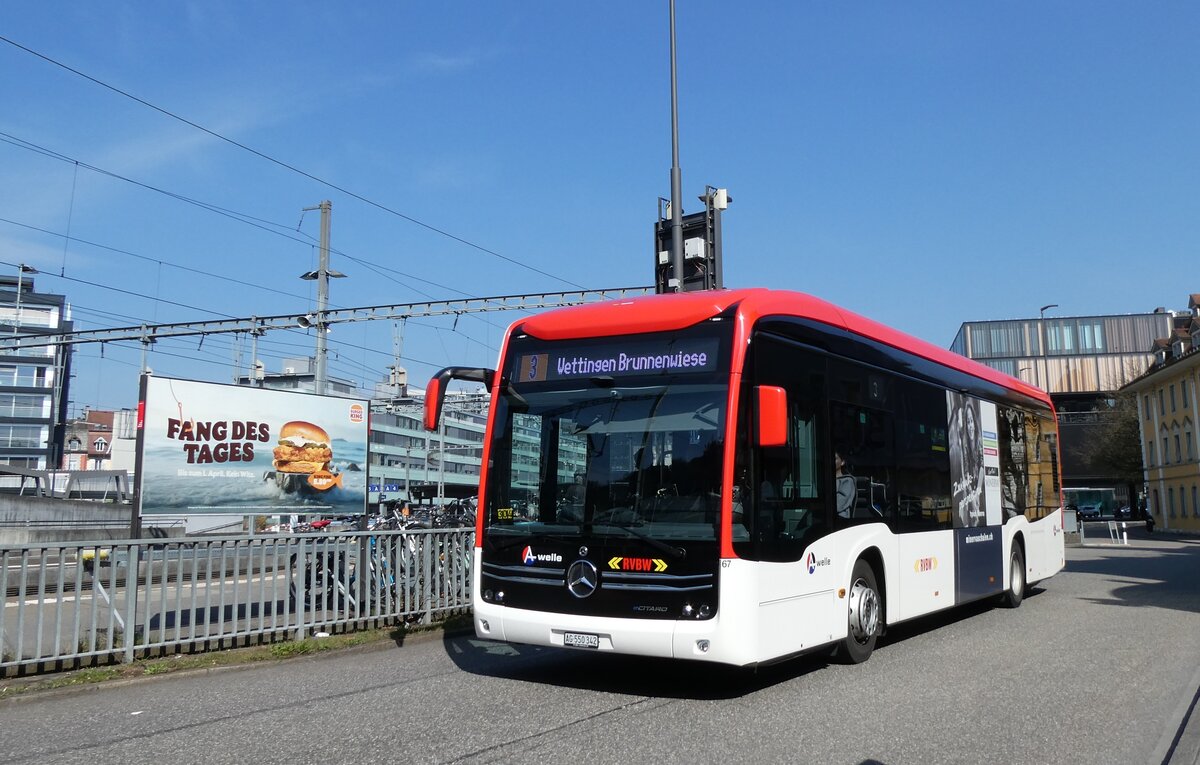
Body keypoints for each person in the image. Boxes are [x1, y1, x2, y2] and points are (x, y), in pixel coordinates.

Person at [835, 451, 856, 518]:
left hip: (840, 520)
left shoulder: (847, 481)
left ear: (842, 462)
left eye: (835, 458)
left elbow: (838, 505)